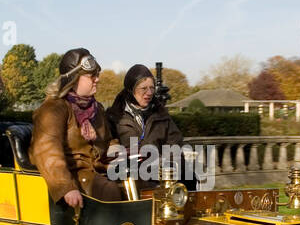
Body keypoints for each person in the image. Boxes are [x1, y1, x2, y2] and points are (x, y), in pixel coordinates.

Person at [30, 48, 122, 205]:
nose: (97, 79)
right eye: (92, 76)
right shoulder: (53, 109)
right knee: (110, 191)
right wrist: (65, 187)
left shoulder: (96, 108)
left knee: (140, 183)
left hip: (100, 170)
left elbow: (108, 141)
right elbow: (46, 150)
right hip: (74, 174)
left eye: (97, 75)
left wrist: (120, 155)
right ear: (73, 79)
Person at [108, 63, 184, 184]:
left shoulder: (161, 114)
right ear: (131, 90)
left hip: (162, 169)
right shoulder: (115, 116)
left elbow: (175, 141)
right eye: (144, 88)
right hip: (132, 174)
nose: (149, 93)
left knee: (188, 174)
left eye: (152, 88)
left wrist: (163, 162)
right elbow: (129, 148)